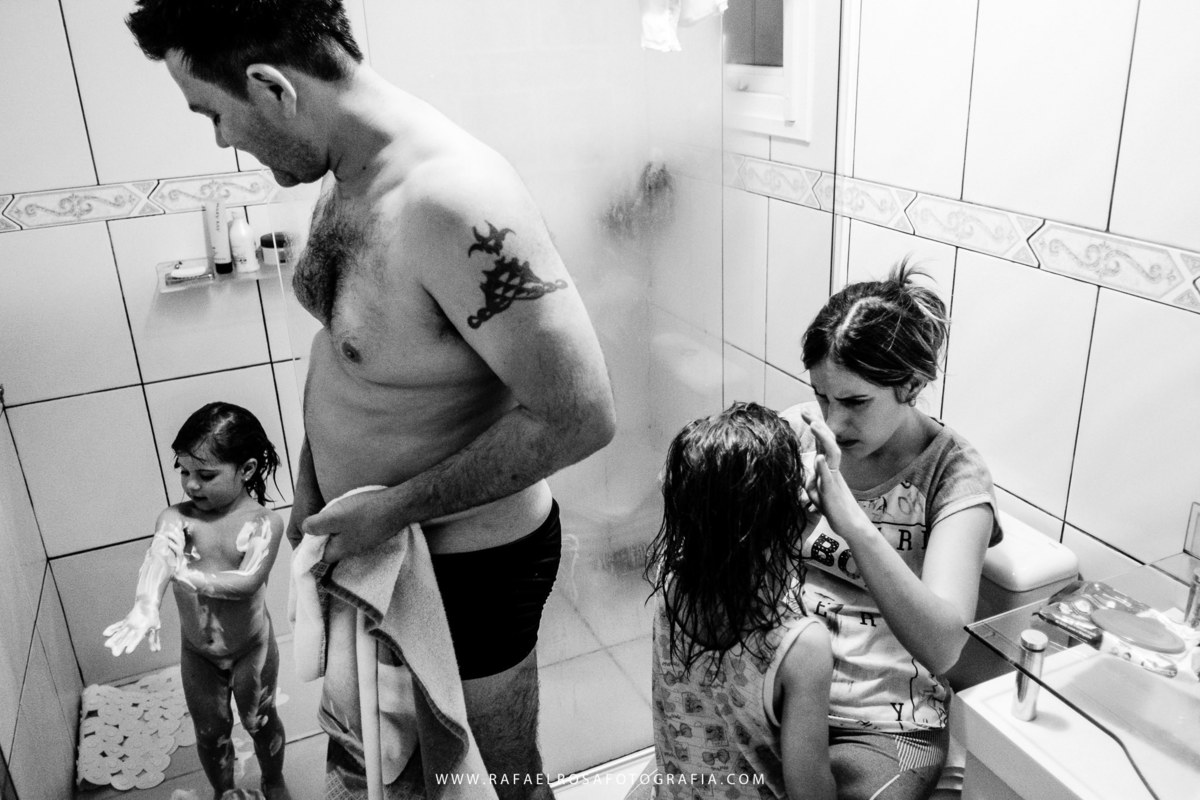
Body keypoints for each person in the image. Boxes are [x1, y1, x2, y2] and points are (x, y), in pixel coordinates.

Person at [125, 3, 616, 798]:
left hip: (471, 569)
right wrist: (312, 480)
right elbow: (350, 354)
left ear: (272, 88)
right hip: (380, 544)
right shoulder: (350, 172)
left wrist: (390, 510)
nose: (221, 139)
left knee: (503, 781)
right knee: (415, 774)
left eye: (213, 114)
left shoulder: (454, 200)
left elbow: (580, 417)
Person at [781, 262, 1002, 800]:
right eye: (822, 396)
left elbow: (944, 647)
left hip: (886, 725)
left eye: (855, 402)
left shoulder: (953, 474)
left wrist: (852, 522)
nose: (833, 423)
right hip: (778, 690)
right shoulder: (798, 434)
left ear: (912, 384)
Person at [645, 402, 836, 800]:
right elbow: (811, 792)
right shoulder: (800, 647)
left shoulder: (671, 582)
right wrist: (829, 498)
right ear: (786, 513)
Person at [105, 402, 289, 800]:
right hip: (198, 653)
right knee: (209, 731)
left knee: (258, 720)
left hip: (251, 649)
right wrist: (145, 604)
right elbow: (159, 557)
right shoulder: (177, 519)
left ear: (247, 470)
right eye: (184, 471)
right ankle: (224, 791)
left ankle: (273, 780)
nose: (191, 485)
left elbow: (247, 581)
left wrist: (188, 575)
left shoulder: (263, 523)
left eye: (206, 475)